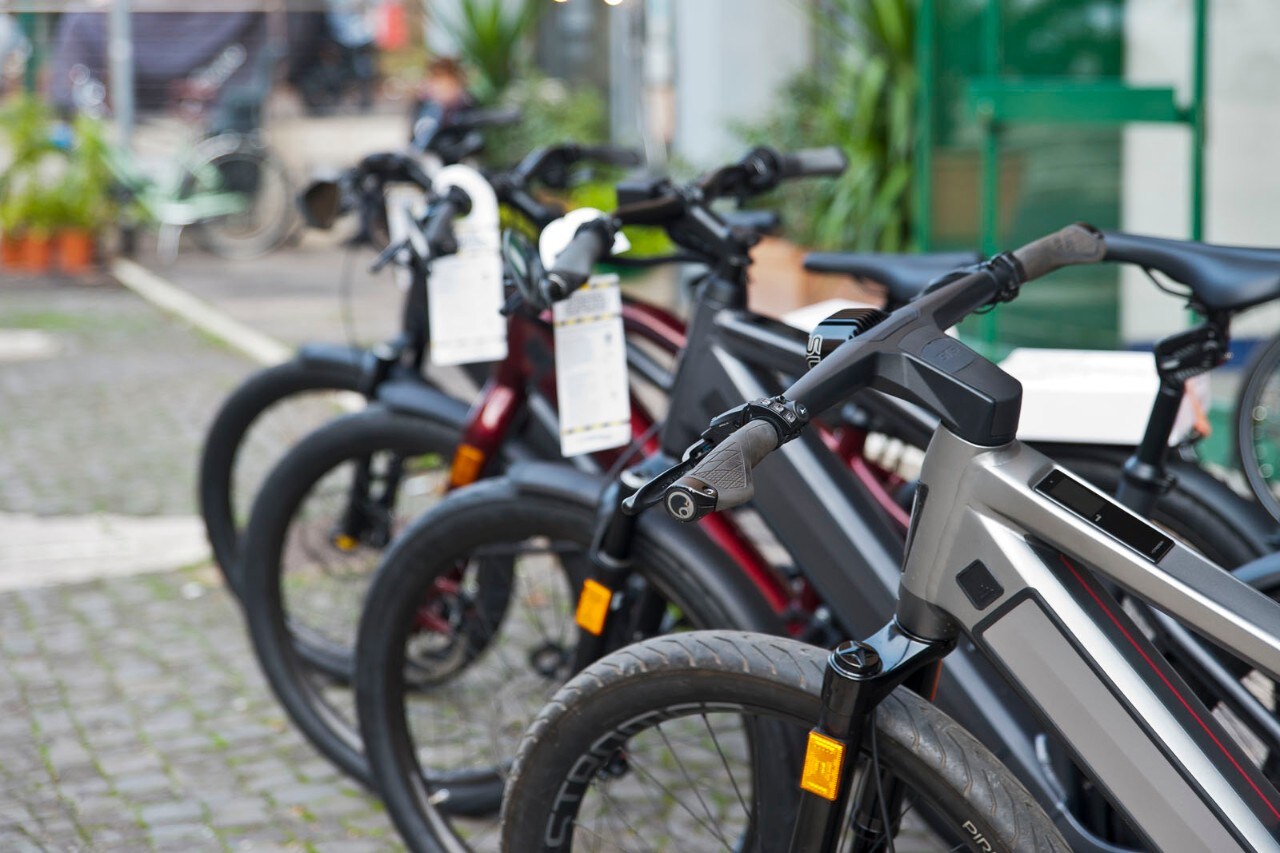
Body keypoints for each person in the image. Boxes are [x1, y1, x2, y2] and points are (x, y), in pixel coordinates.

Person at [408, 56, 474, 144]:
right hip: (432, 119)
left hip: (451, 120)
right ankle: (420, 143)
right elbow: (422, 99)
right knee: (433, 111)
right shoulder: (430, 83)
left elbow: (460, 101)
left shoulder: (456, 84)